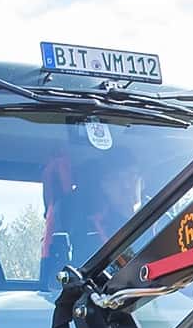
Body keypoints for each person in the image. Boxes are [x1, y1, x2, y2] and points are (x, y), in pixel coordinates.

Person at [40, 120, 145, 286]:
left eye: (132, 176)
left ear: (142, 181)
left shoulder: (164, 218)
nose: (126, 185)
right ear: (104, 187)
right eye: (116, 179)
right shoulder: (88, 231)